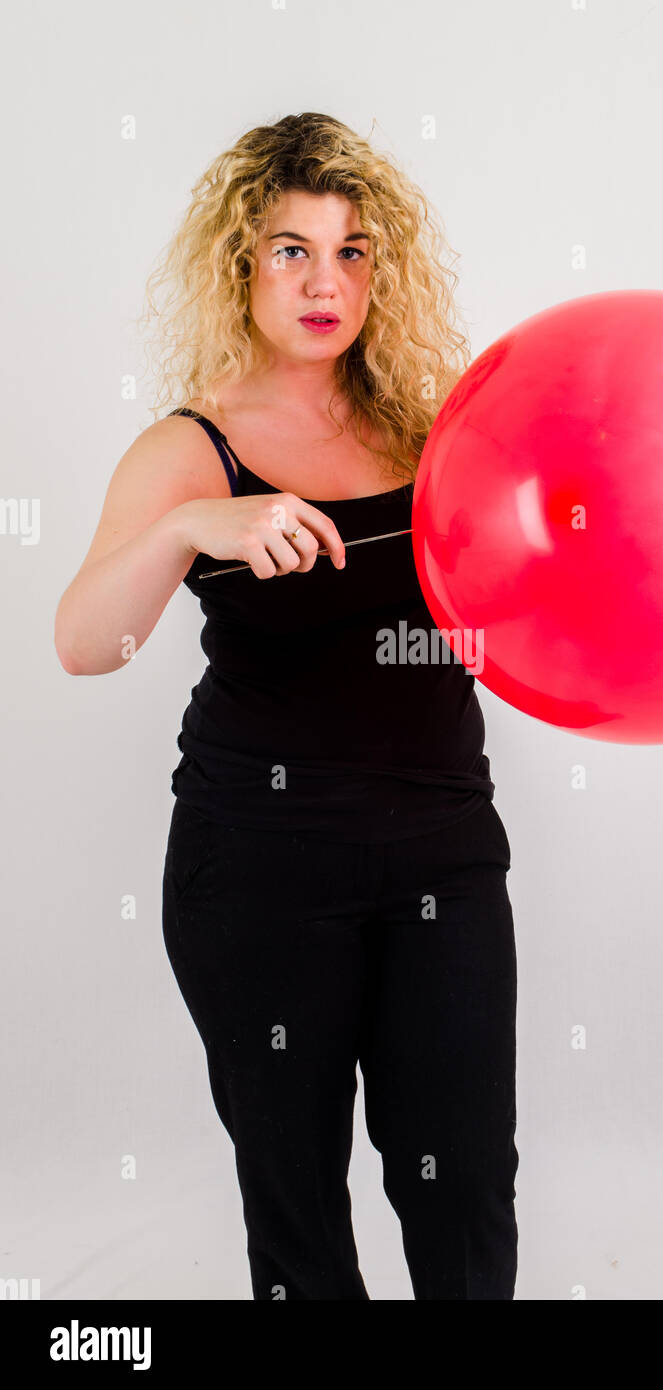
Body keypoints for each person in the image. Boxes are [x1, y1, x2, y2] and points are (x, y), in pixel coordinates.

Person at [54, 112, 518, 1300]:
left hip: (442, 849)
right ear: (238, 268)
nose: (327, 280)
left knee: (462, 1178)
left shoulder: (433, 425)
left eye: (354, 250)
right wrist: (187, 527)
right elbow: (83, 645)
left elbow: (512, 600)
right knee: (297, 1197)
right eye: (291, 250)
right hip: (259, 861)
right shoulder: (191, 446)